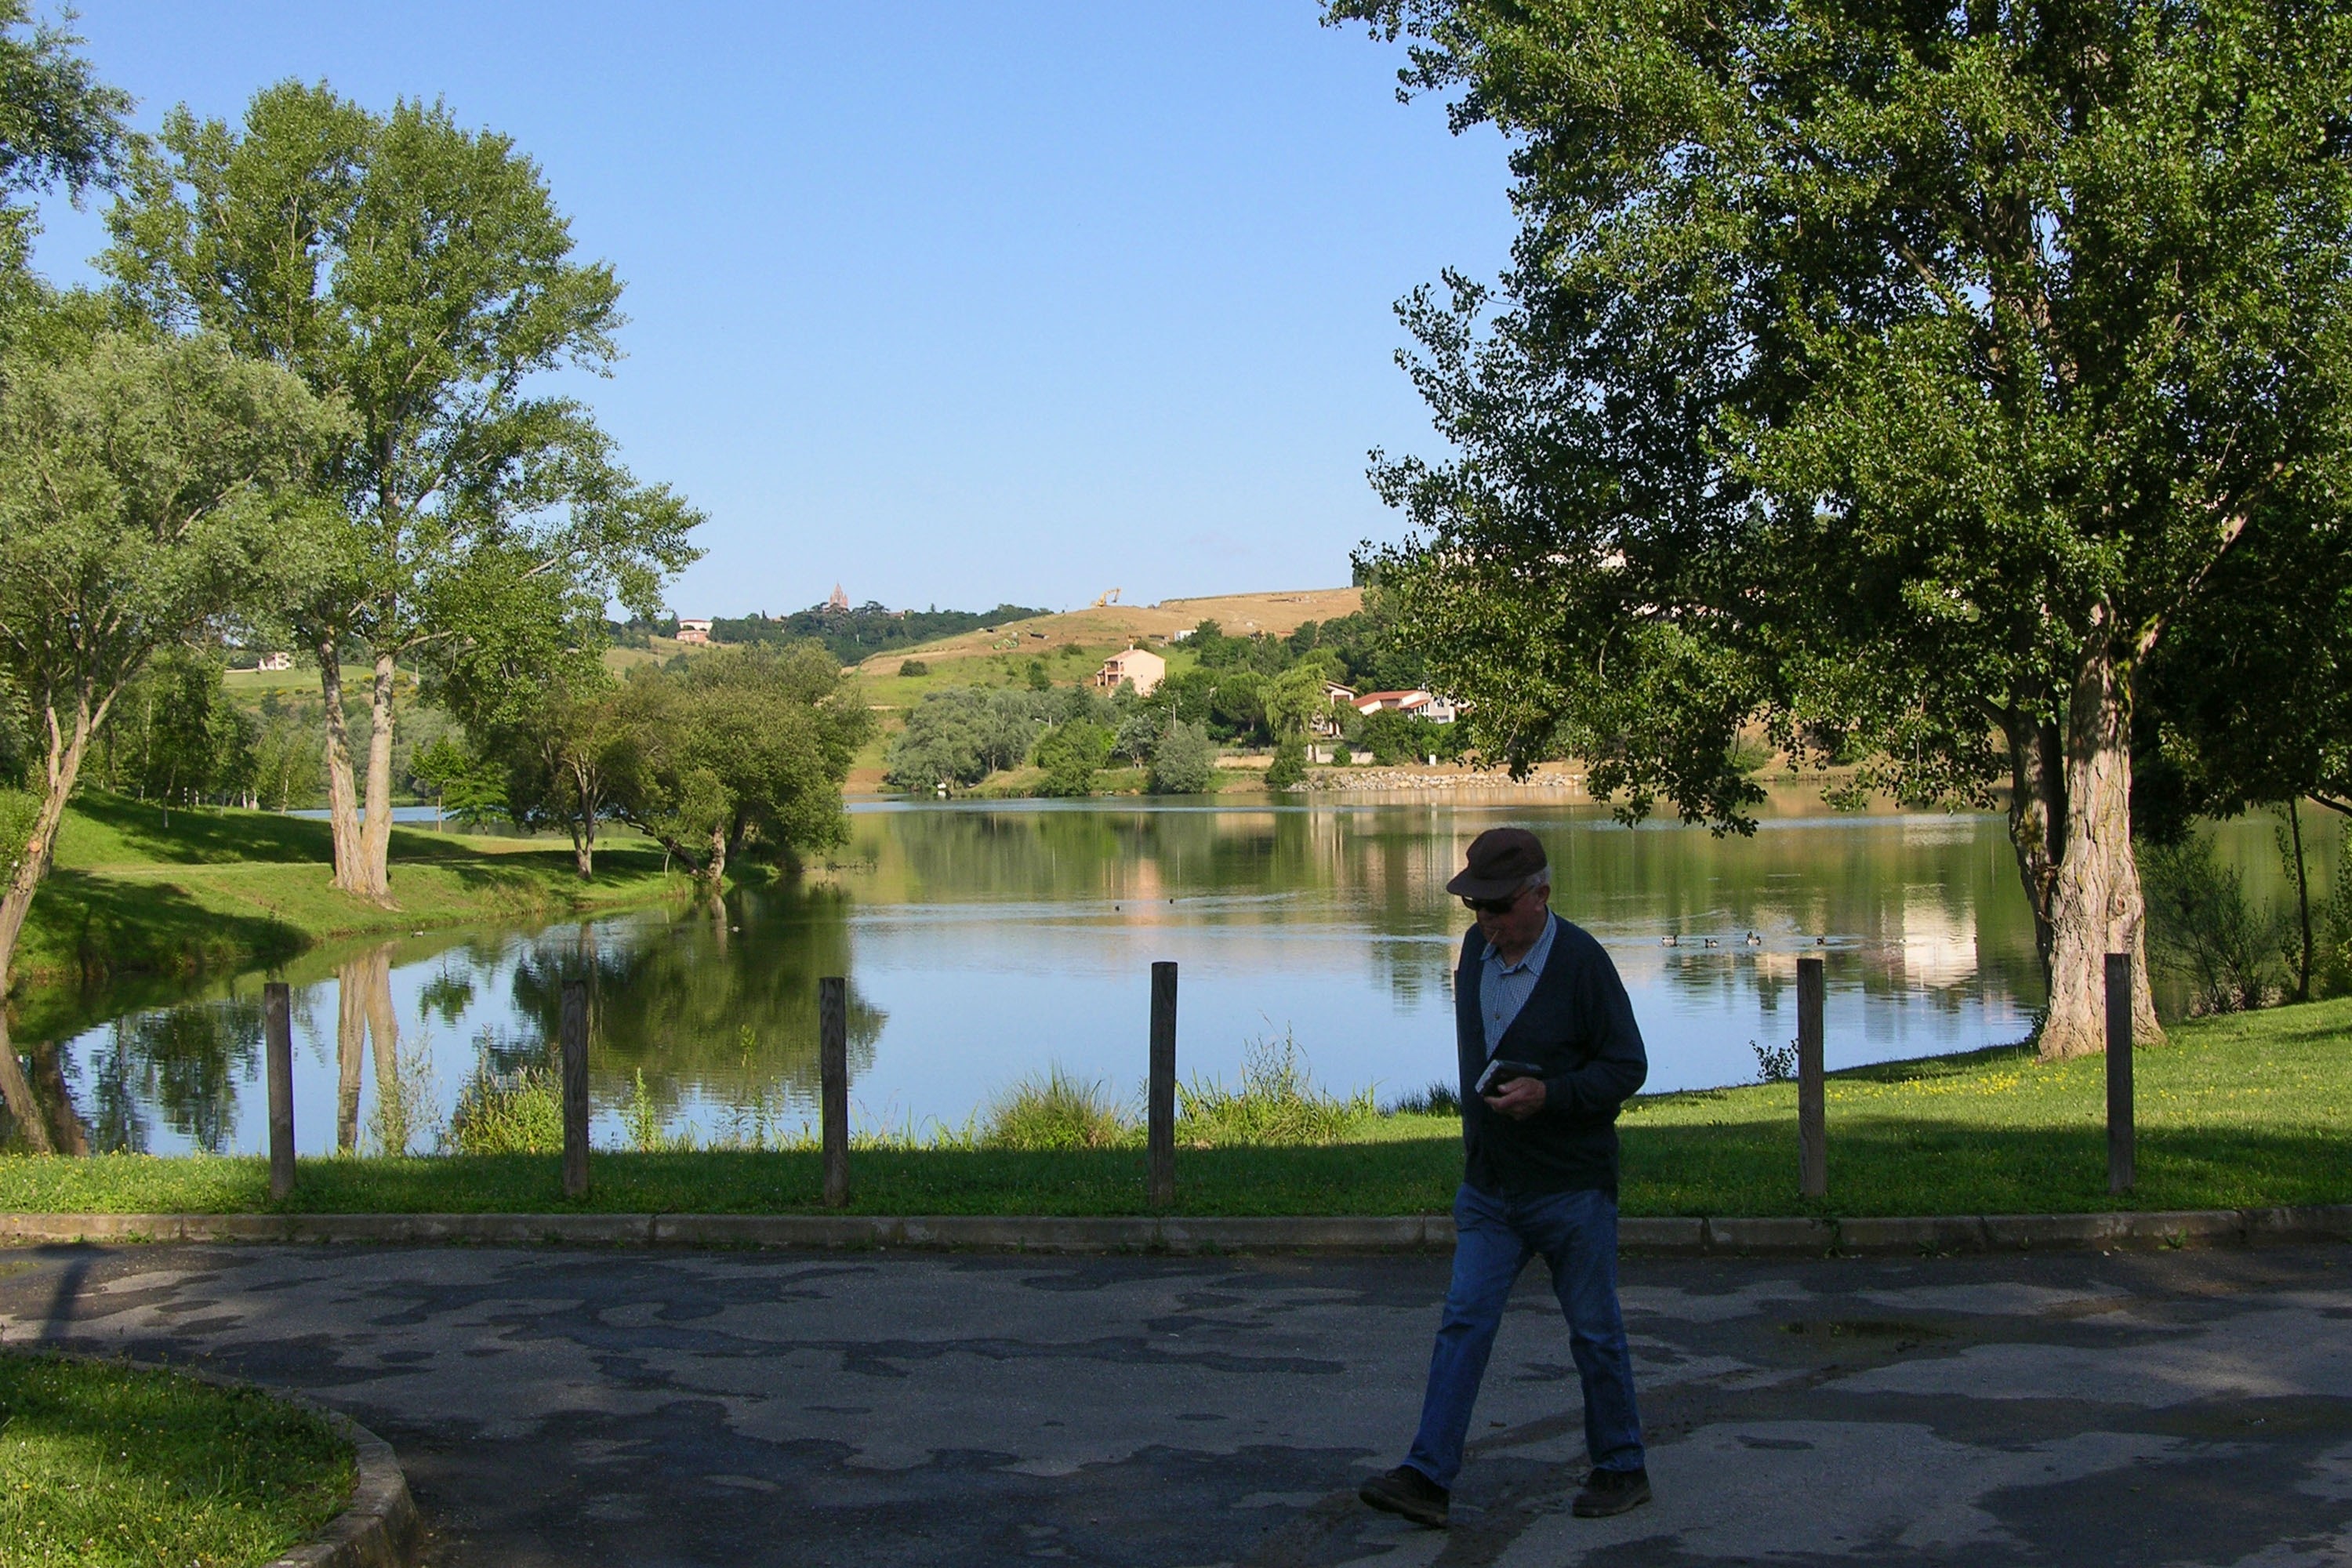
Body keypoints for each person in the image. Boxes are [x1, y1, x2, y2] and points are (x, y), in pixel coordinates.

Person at [1359, 826, 1652, 1529]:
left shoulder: (1583, 963)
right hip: (1491, 1190)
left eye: (1497, 907)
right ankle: (1427, 1477)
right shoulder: (1475, 951)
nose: (1485, 922)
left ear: (1540, 895)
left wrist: (1550, 1096)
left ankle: (1621, 1467)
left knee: (1594, 1332)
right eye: (1475, 908)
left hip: (1573, 1189)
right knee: (1463, 1322)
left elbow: (1626, 1067)